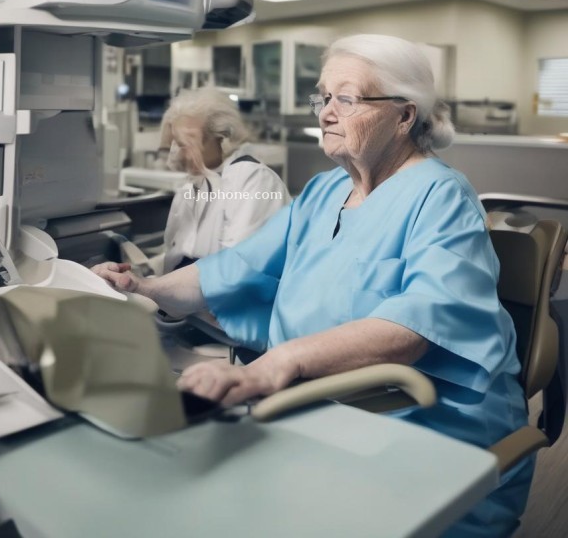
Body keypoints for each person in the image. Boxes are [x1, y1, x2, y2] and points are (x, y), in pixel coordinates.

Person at [94, 35, 531, 537]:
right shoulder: (324, 191)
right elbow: (235, 267)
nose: (325, 112)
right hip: (320, 410)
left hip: (420, 429)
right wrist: (147, 288)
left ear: (404, 115)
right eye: (322, 97)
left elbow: (417, 326)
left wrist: (277, 365)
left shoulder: (441, 196)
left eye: (346, 99)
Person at [94, 87, 290, 277]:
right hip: (189, 305)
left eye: (184, 144)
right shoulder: (194, 185)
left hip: (226, 308)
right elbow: (180, 257)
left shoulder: (254, 181)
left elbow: (236, 271)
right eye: (174, 143)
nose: (175, 154)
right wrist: (140, 272)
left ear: (220, 139)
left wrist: (153, 289)